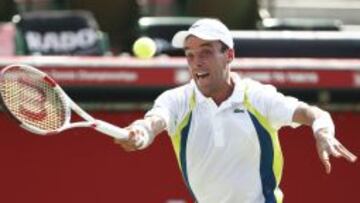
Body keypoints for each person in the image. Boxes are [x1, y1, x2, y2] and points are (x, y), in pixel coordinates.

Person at [114, 18, 357, 203]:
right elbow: (155, 121)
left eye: (206, 52)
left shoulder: (257, 97)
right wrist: (141, 133)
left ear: (229, 55)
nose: (196, 62)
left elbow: (313, 113)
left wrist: (322, 131)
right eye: (190, 55)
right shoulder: (177, 100)